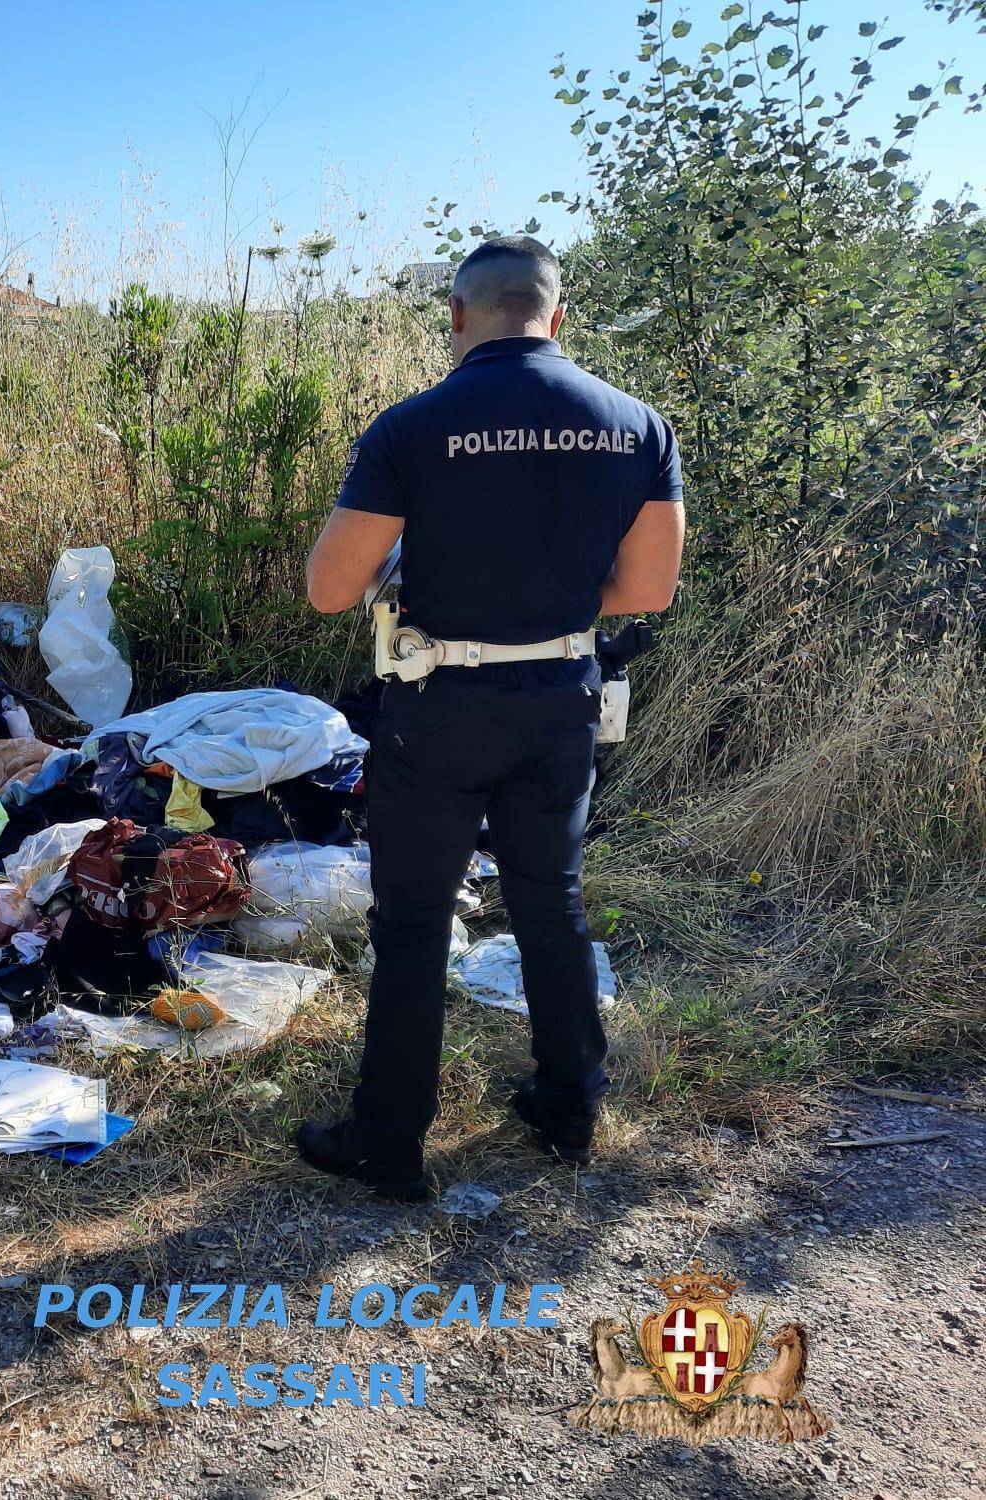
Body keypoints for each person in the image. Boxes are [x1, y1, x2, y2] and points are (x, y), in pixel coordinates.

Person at [294, 236, 685, 1200]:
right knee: (550, 903)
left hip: (440, 702)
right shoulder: (637, 425)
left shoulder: (413, 425)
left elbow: (328, 590)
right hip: (561, 698)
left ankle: (389, 1143)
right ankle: (568, 1106)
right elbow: (649, 589)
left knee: (417, 922)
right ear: (557, 316)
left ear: (458, 318)